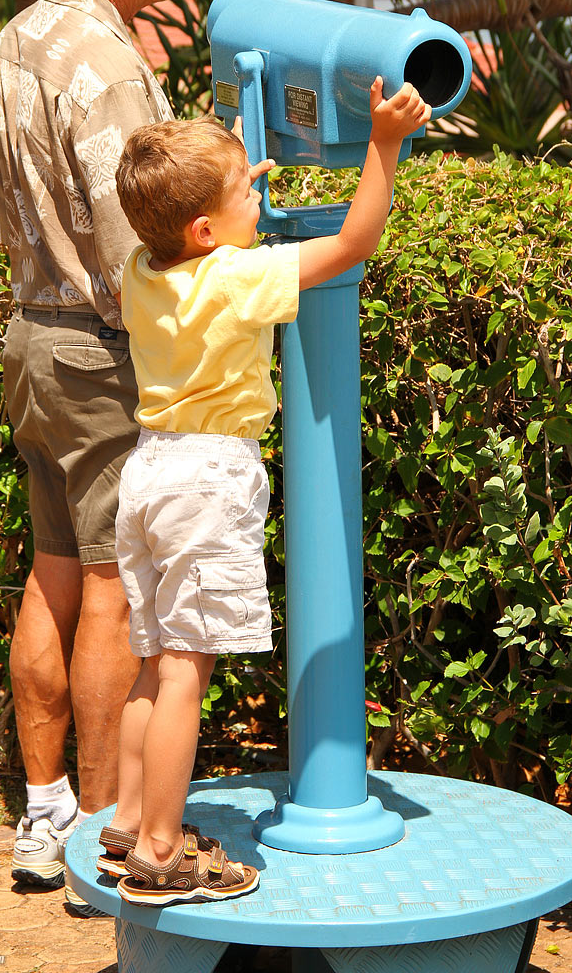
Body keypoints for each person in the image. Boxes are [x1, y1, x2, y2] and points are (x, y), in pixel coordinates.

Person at [93, 77, 431, 905]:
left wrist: (229, 187)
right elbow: (351, 244)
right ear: (206, 230)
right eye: (246, 191)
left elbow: (197, 230)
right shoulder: (236, 279)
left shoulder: (143, 266)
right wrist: (384, 145)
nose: (259, 194)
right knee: (187, 670)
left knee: (153, 662)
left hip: (148, 471)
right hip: (208, 480)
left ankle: (127, 825)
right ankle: (162, 855)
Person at [0, 0, 218, 912]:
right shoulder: (109, 62)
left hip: (32, 339)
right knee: (114, 589)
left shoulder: (14, 39)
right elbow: (138, 251)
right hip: (99, 353)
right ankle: (101, 840)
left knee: (53, 574)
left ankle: (45, 817)